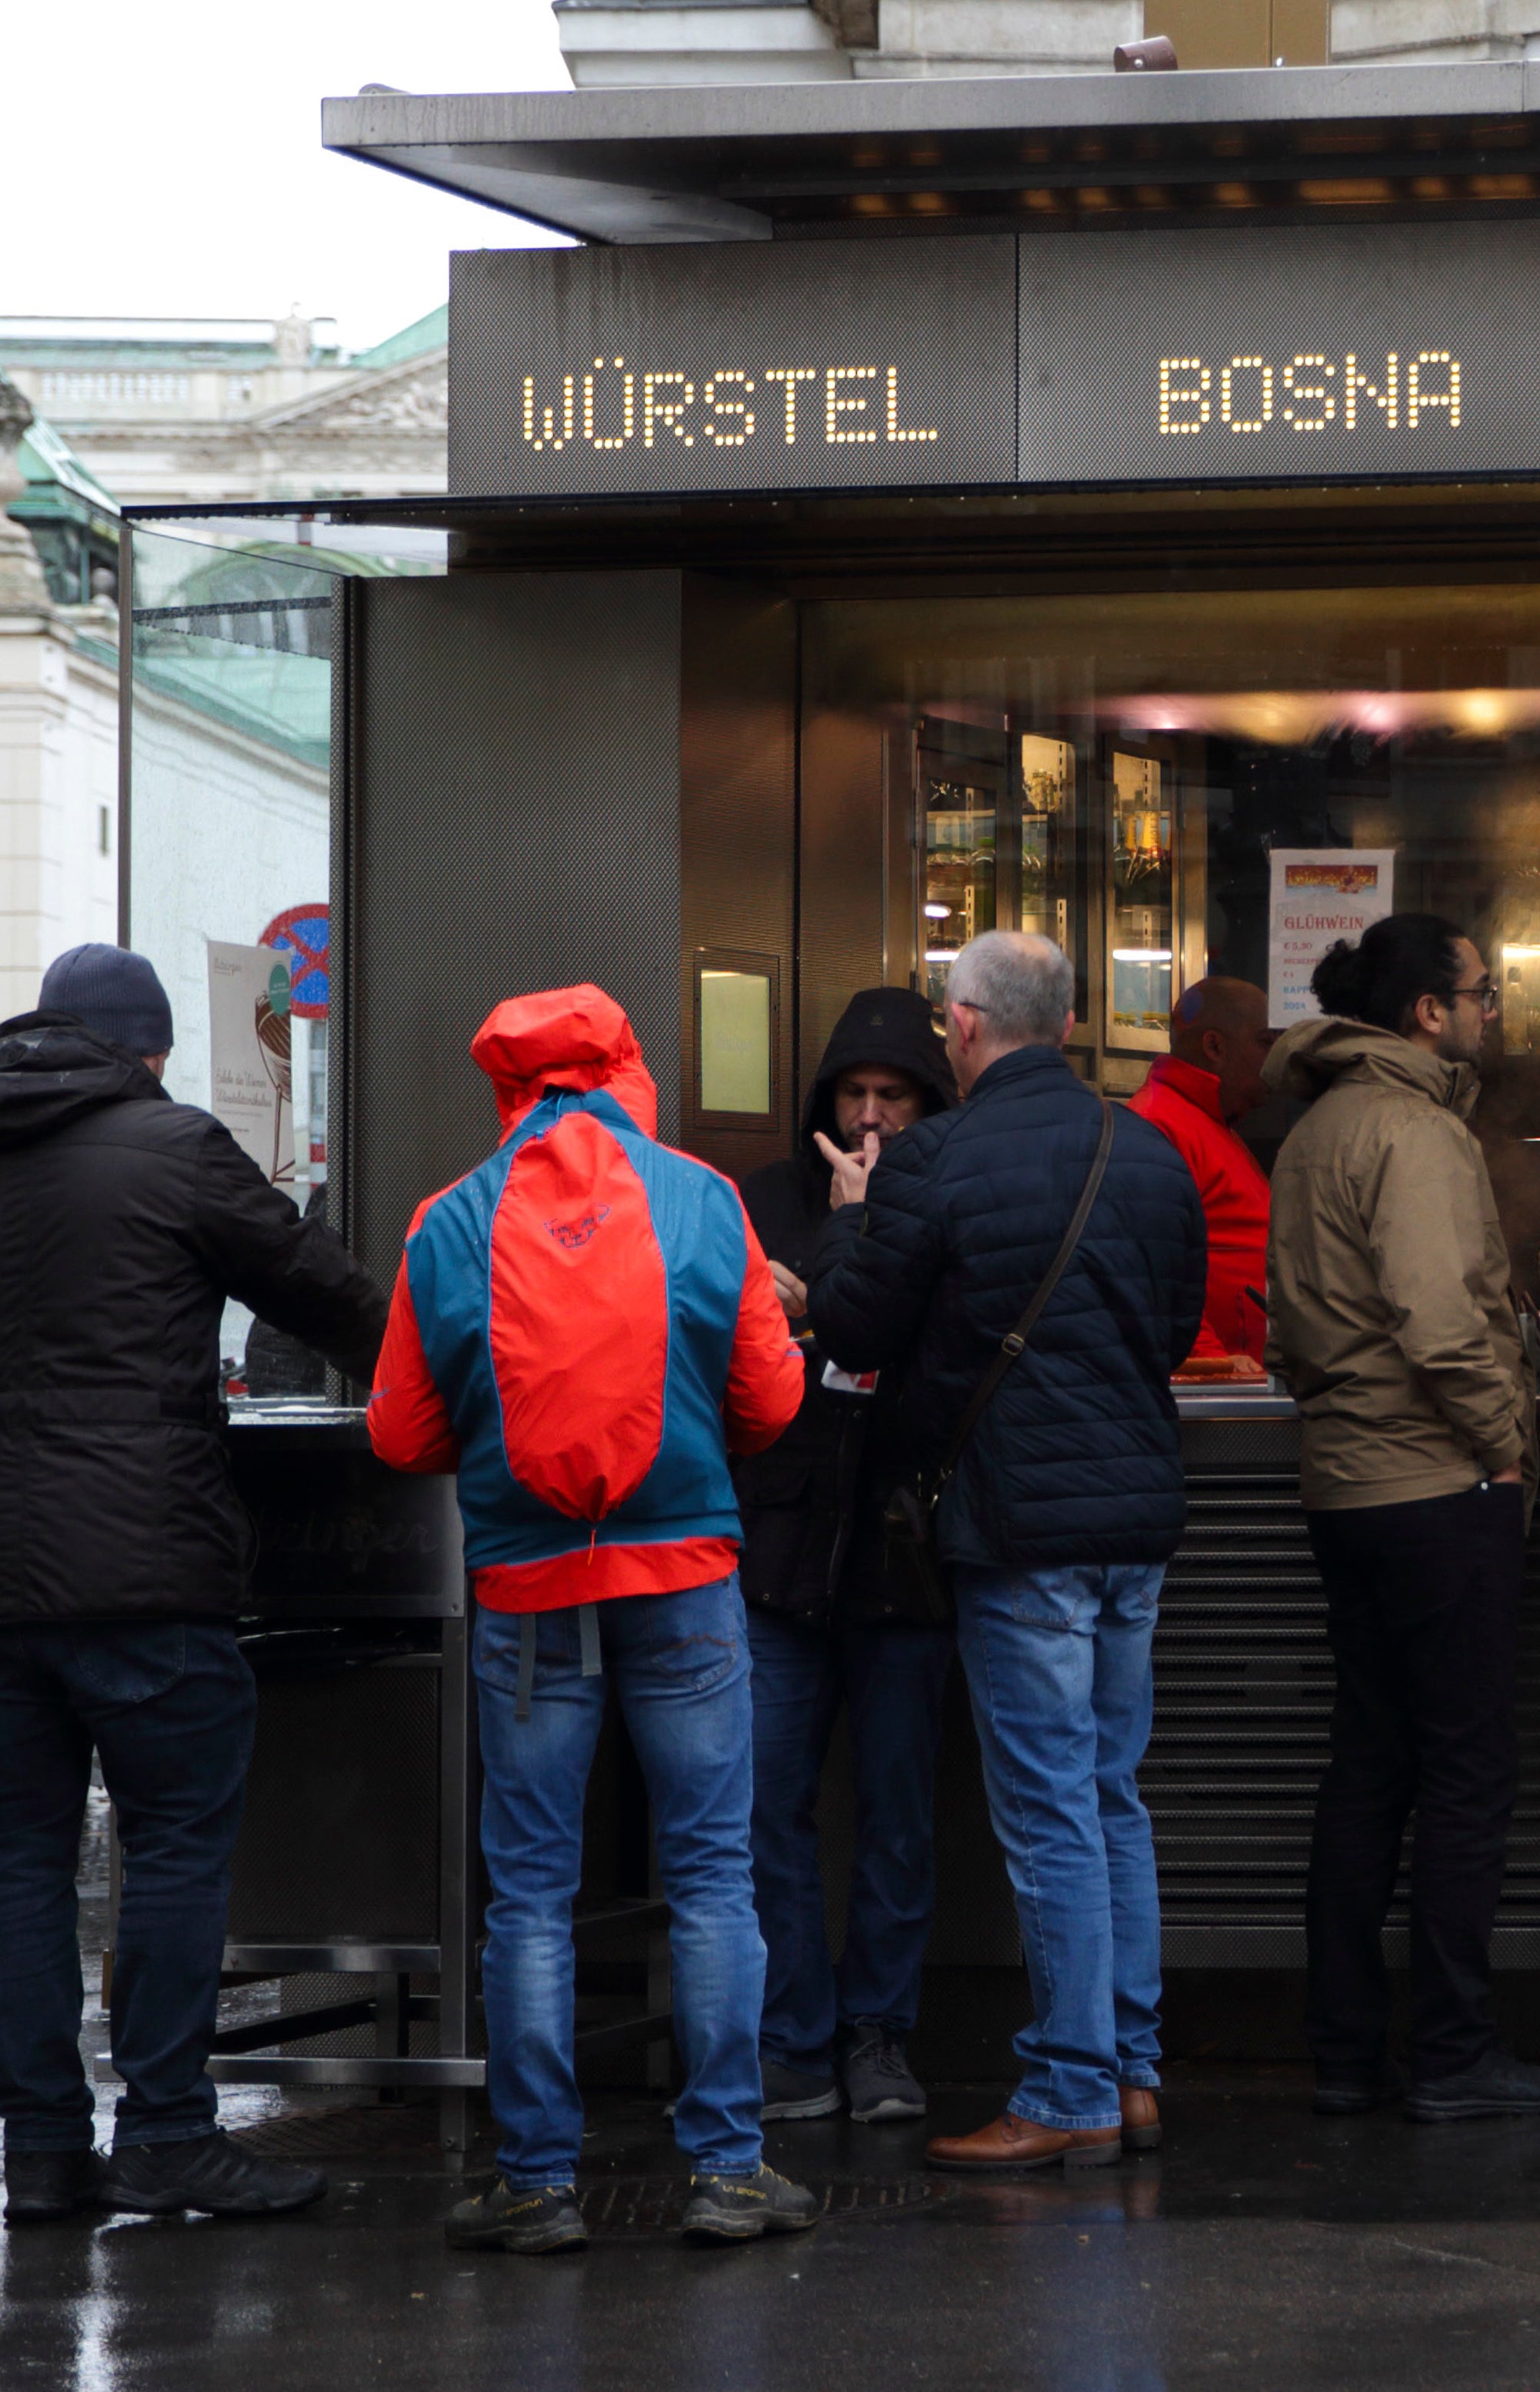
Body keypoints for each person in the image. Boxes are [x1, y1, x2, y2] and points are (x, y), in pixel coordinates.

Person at [0, 944, 384, 2226]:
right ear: (144, 1051)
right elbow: (328, 1294)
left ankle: (44, 2156)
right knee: (174, 1846)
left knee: (24, 1852)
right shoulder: (174, 1147)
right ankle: (172, 2131)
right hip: (146, 1568)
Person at [367, 984, 816, 2252]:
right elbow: (773, 1400)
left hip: (529, 1588)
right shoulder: (701, 1200)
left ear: (505, 1084)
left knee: (530, 1896)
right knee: (714, 1873)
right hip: (686, 1584)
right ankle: (727, 2167)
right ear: (627, 1067)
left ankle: (536, 2180)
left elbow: (400, 1430)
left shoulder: (449, 1221)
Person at [810, 930, 1205, 2170]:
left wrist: (855, 1224)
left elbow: (861, 1328)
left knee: (1045, 1814)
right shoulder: (1150, 1153)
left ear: (965, 1028)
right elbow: (1182, 1324)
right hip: (1135, 1521)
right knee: (1109, 1794)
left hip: (1018, 1524)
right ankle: (1133, 2070)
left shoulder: (933, 1158)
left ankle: (1073, 2088)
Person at [1264, 911, 1540, 2120]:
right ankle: (1455, 2052)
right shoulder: (1416, 1128)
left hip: (1345, 1485)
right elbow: (1445, 1321)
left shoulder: (1316, 1129)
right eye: (1481, 991)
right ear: (1426, 1015)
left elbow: (1295, 1325)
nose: (1495, 1009)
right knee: (1464, 1775)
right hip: (1438, 1487)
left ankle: (1344, 2049)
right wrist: (1504, 1450)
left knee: (1368, 1769)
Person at [730, 985, 958, 2130]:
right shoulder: (764, 1200)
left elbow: (946, 1356)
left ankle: (880, 2033)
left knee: (899, 1806)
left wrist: (835, 1289)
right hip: (777, 1542)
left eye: (895, 1098)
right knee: (768, 1802)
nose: (870, 1120)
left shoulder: (946, 1200)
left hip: (899, 1545)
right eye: (854, 1095)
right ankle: (793, 2036)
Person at [1134, 975, 1280, 1372]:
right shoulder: (1159, 1124)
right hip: (1220, 1401)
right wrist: (1215, 1365)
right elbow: (1151, 1272)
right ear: (1215, 1046)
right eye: (1266, 1042)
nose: (1278, 1056)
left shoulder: (1209, 1121)